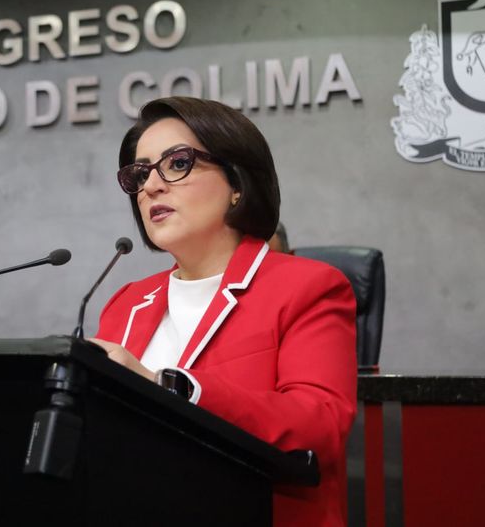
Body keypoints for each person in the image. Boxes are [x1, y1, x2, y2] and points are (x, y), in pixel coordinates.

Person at [90, 97, 356, 526]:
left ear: (237, 182)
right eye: (140, 174)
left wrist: (169, 388)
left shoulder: (307, 288)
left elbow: (319, 427)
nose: (152, 187)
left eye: (177, 164)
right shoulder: (126, 303)